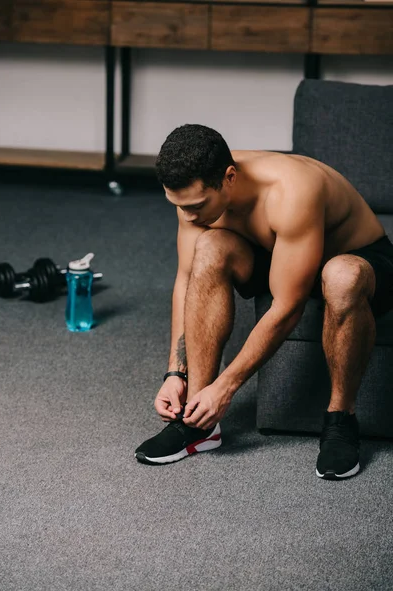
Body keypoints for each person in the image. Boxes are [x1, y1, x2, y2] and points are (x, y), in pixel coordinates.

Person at [134, 124, 393, 479]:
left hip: (356, 259)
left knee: (340, 276)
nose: (189, 216)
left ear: (229, 177)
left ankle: (341, 420)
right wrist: (175, 373)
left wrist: (224, 389)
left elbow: (288, 307)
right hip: (280, 254)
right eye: (179, 207)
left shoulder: (292, 190)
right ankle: (197, 423)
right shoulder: (192, 194)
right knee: (206, 249)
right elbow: (185, 279)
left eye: (196, 206)